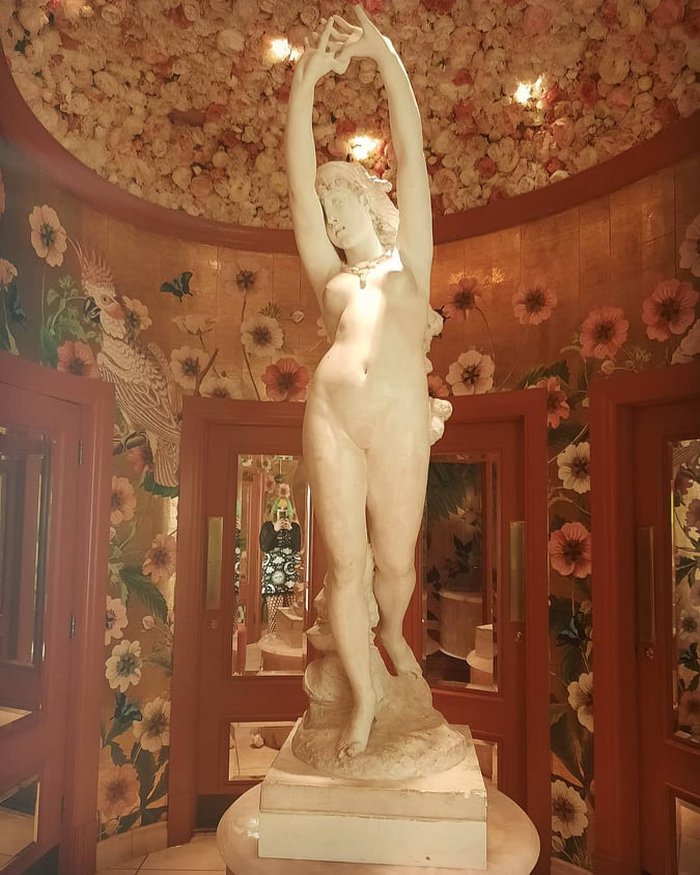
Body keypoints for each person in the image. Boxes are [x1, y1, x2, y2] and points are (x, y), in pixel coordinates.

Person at [286, 6, 433, 758]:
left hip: (400, 418)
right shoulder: (332, 282)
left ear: (370, 200)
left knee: (395, 563)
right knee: (345, 567)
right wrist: (304, 86)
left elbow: (411, 154)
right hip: (333, 416)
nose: (332, 220)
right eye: (326, 212)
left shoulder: (412, 266)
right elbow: (296, 188)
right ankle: (364, 698)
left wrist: (385, 58)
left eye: (339, 202)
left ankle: (393, 635)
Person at [259, 497, 302, 634]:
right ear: (275, 511)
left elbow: (298, 547)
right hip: (273, 576)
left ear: (289, 511)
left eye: (285, 509)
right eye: (279, 509)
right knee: (273, 614)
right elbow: (264, 546)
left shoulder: (295, 527)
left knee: (292, 615)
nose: (282, 512)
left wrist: (290, 529)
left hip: (291, 576)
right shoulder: (267, 526)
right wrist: (275, 529)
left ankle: (290, 642)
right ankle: (273, 640)